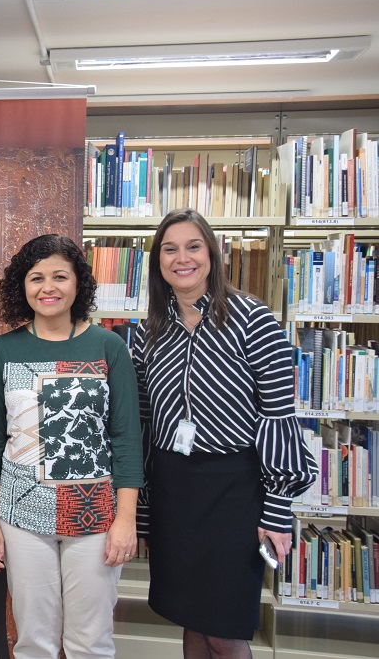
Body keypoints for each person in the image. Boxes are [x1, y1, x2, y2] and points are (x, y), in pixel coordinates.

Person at [133, 208, 317, 658]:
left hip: (236, 491)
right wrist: (140, 510)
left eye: (193, 246)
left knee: (224, 631)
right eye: (170, 249)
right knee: (191, 619)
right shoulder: (146, 333)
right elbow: (141, 424)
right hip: (174, 491)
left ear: (211, 254)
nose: (182, 258)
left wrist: (275, 511)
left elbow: (278, 416)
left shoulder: (252, 320)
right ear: (157, 261)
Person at [0, 234, 142, 659]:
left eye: (60, 276)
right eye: (36, 278)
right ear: (22, 287)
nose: (48, 287)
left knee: (90, 642)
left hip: (97, 516)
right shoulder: (3, 352)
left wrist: (125, 519)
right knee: (34, 642)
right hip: (22, 515)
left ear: (78, 284)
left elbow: (125, 438)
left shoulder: (108, 347)